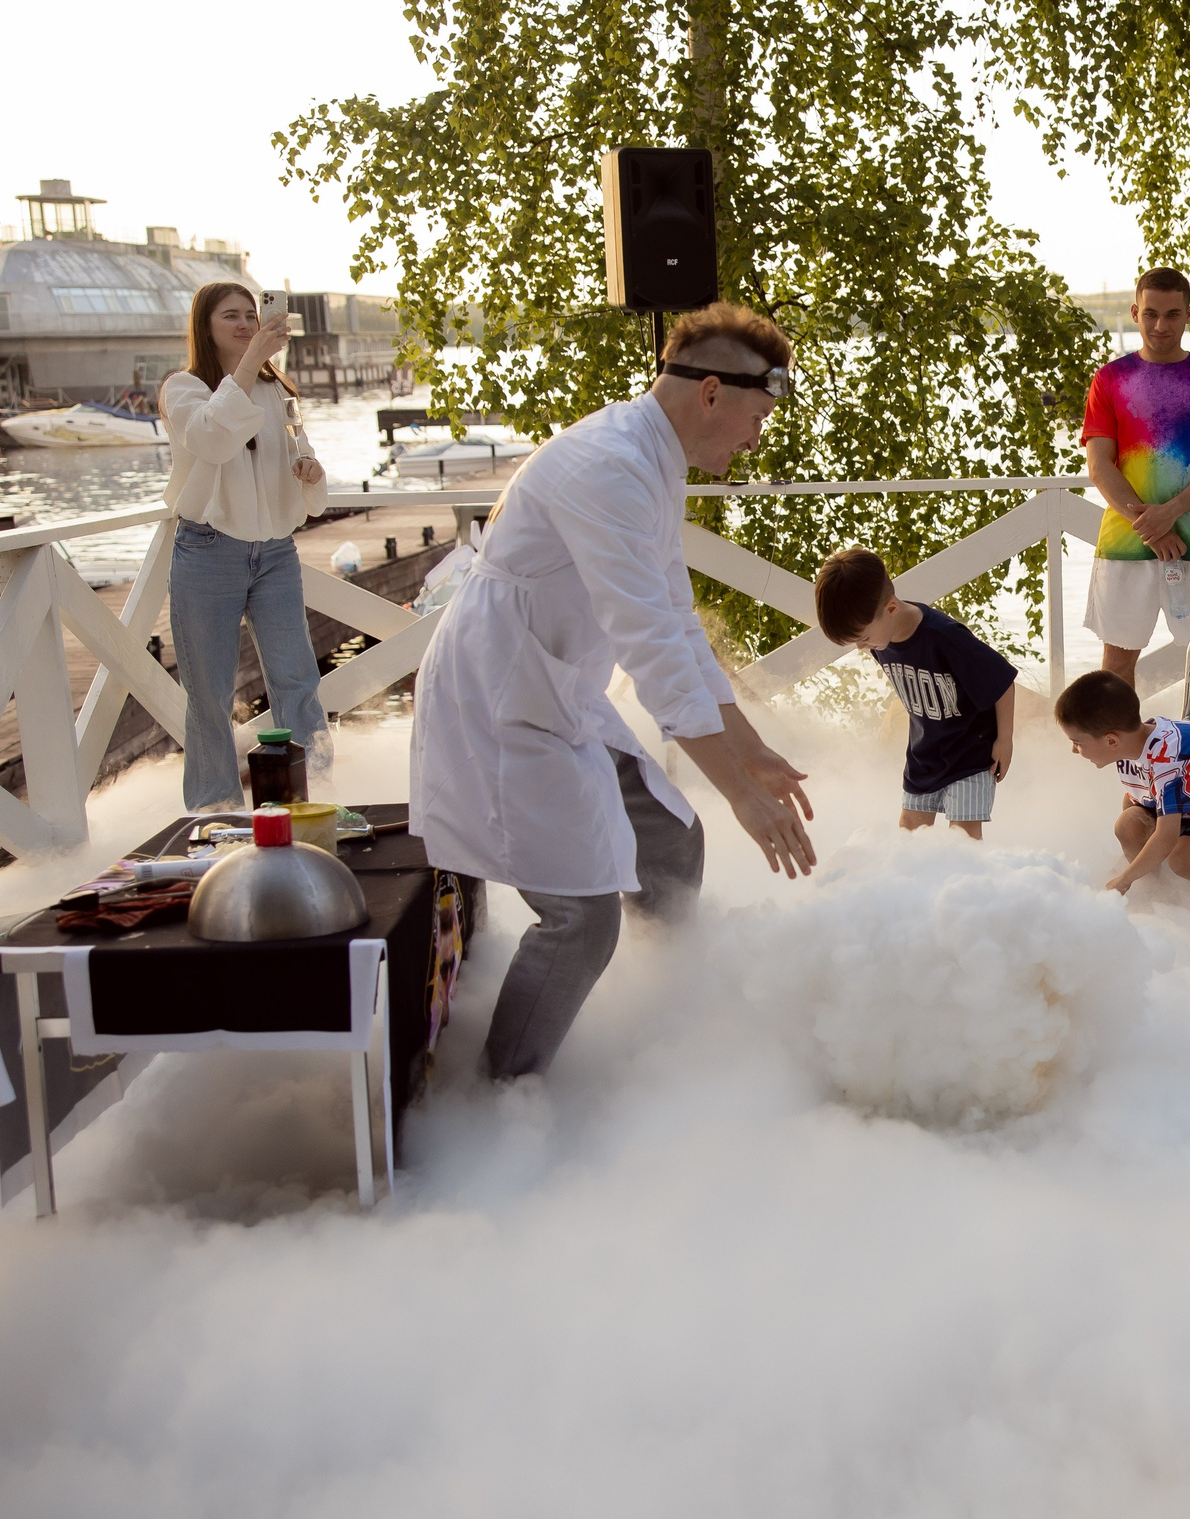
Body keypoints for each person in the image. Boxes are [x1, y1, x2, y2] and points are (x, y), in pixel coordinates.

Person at [410, 302, 818, 1081]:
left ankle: (659, 1019)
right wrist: (738, 790)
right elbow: (652, 651)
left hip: (558, 689)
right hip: (498, 699)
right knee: (581, 919)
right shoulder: (610, 465)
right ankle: (503, 1095)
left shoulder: (653, 462)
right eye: (757, 415)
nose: (756, 438)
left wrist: (748, 747)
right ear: (709, 393)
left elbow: (678, 622)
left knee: (673, 842)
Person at [160, 281, 332, 810]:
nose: (243, 324)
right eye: (230, 316)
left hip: (276, 552)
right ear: (205, 326)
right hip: (210, 550)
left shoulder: (277, 391)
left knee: (298, 679)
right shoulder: (184, 389)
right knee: (209, 695)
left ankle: (318, 797)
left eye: (250, 315)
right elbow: (212, 439)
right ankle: (215, 812)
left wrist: (309, 472)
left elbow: (310, 489)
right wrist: (254, 357)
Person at [1083, 267, 1190, 712]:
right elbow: (1099, 467)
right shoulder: (1109, 379)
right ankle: (1124, 766)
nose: (1160, 326)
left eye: (1172, 314)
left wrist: (1171, 512)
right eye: (1150, 313)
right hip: (1125, 544)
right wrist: (1151, 526)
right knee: (1117, 663)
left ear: (1189, 315)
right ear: (1135, 312)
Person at [814, 548, 1018, 840]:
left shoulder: (945, 636)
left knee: (963, 843)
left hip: (971, 755)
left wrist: (1004, 740)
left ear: (892, 609)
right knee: (907, 837)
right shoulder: (879, 640)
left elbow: (1002, 680)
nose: (861, 648)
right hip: (924, 757)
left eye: (863, 638)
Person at [1056, 668, 1190, 900]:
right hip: (1184, 802)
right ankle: (1159, 894)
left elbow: (1166, 836)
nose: (1073, 750)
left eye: (1077, 742)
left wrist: (1124, 879)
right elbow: (1137, 796)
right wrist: (1135, 849)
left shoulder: (1170, 761)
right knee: (1127, 825)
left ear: (1111, 740)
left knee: (1182, 859)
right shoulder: (1130, 744)